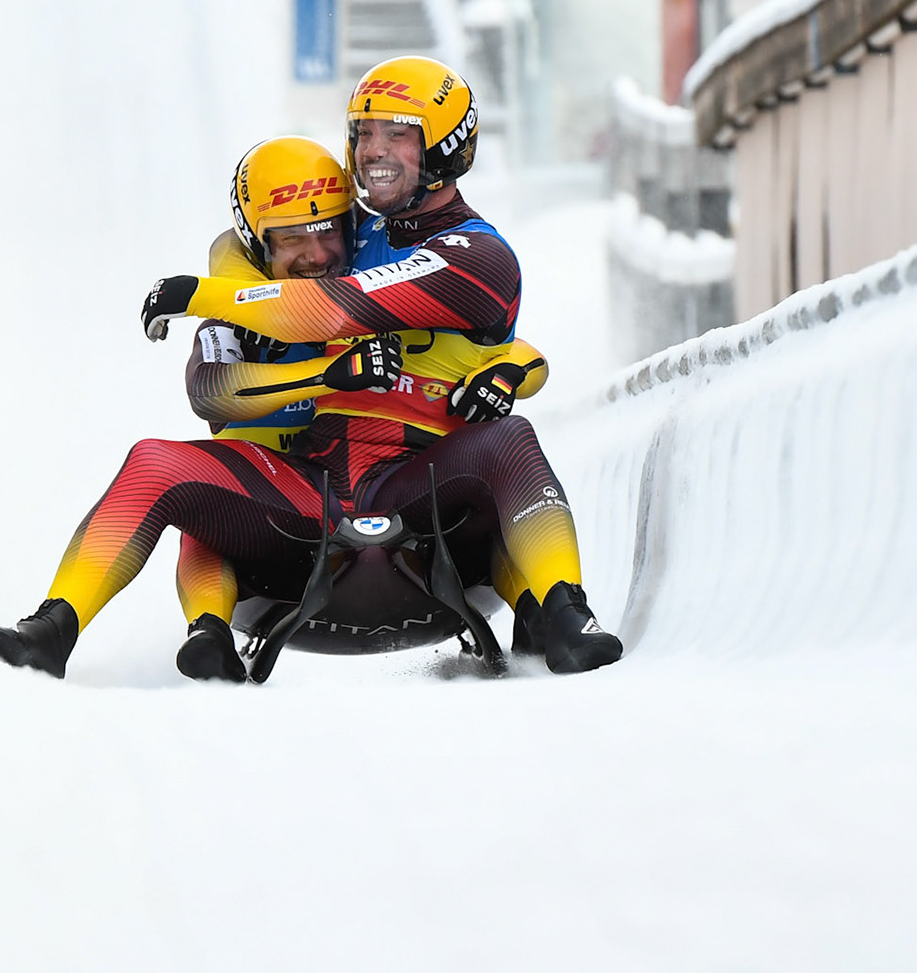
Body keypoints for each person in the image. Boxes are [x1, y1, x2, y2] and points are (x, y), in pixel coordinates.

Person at [142, 57, 624, 673]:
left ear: (444, 147)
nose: (314, 254)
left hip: (419, 479)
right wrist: (233, 292)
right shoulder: (351, 228)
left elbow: (333, 310)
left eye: (396, 133)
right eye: (364, 132)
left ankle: (558, 607)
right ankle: (204, 627)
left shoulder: (478, 253)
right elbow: (239, 252)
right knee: (207, 476)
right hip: (300, 478)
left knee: (509, 440)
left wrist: (199, 294)